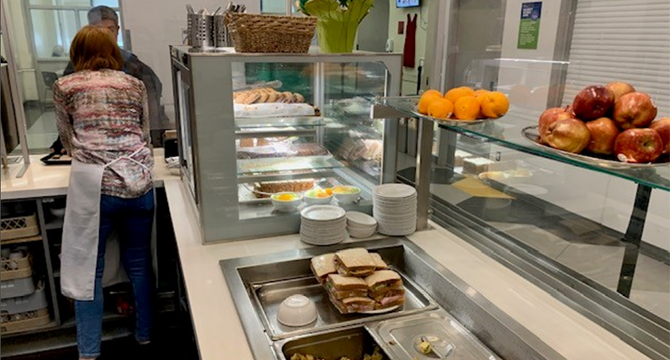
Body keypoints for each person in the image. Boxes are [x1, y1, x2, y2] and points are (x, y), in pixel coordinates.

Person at [54, 25, 154, 360]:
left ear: (76, 53)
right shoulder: (135, 84)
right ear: (114, 51)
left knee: (88, 272)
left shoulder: (65, 86)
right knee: (139, 265)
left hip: (94, 188)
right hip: (139, 184)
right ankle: (145, 336)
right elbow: (144, 131)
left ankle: (89, 351)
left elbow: (67, 140)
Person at [50, 5, 169, 155]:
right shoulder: (71, 72)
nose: (105, 35)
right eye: (99, 30)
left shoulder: (135, 68)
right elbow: (68, 119)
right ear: (90, 30)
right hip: (103, 154)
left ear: (117, 30)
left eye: (110, 30)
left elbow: (150, 117)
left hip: (119, 153)